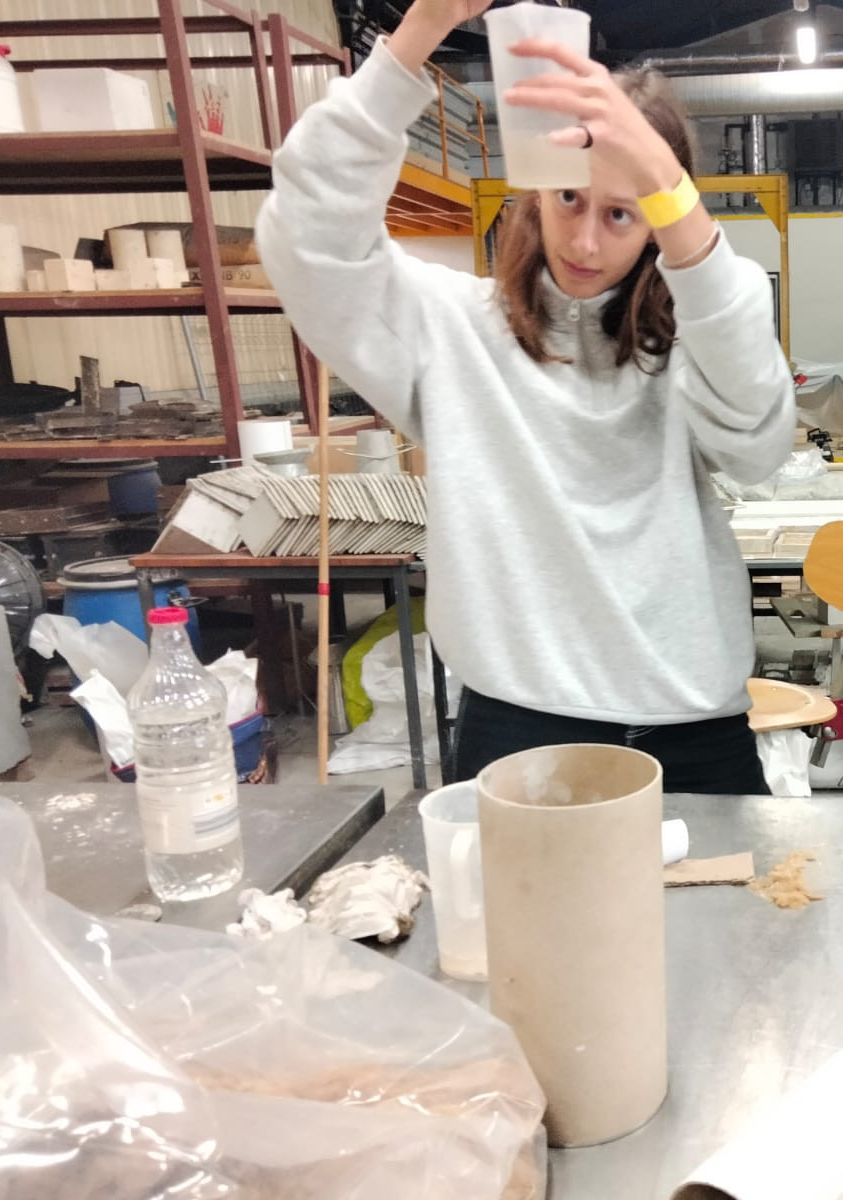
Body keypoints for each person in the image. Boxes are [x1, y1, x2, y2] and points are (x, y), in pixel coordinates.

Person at [257, 0, 794, 793]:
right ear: (536, 189)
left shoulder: (700, 330)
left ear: (656, 225)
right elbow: (307, 241)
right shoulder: (453, 331)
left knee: (736, 921)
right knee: (521, 921)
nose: (584, 242)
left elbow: (759, 447)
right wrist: (415, 38)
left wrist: (672, 196)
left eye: (622, 214)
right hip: (520, 723)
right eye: (569, 199)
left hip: (693, 721)